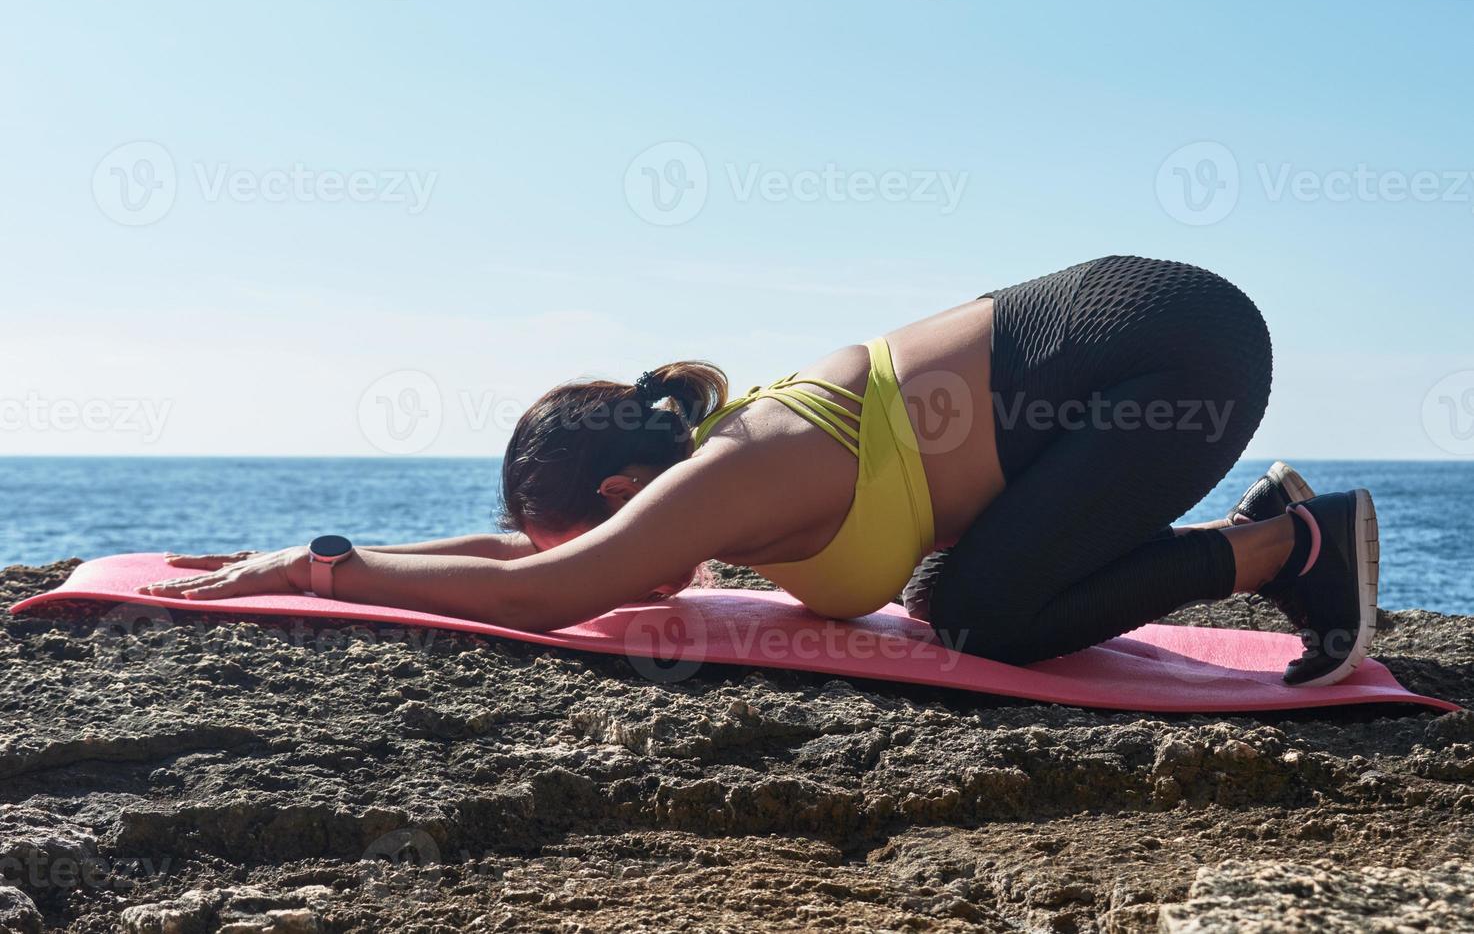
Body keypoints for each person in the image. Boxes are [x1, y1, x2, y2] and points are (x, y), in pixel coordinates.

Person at [143, 256, 1379, 687]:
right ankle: (1277, 529)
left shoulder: (734, 471)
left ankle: (1288, 543)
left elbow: (545, 589)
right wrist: (342, 550)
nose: (614, 568)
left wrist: (327, 570)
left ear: (628, 496)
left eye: (599, 536)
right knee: (963, 591)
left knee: (984, 611)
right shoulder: (709, 465)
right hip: (1136, 340)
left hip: (1171, 350)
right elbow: (539, 559)